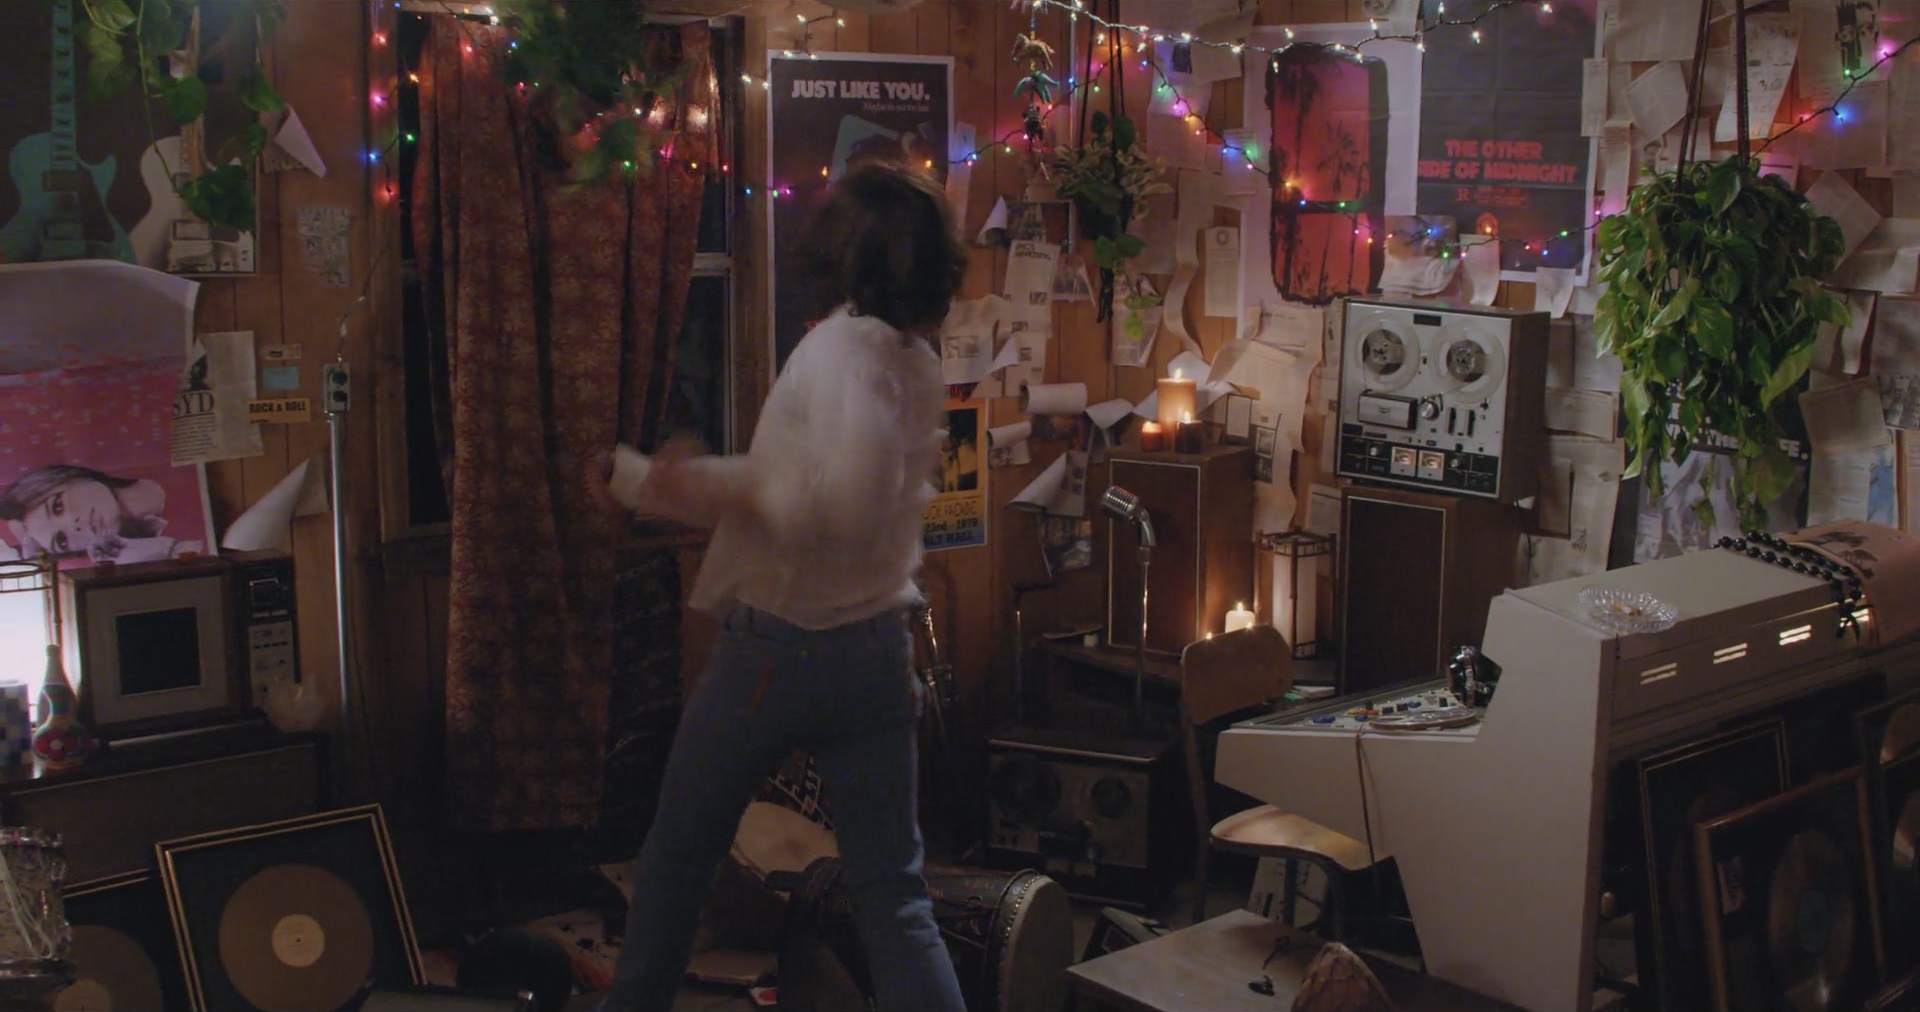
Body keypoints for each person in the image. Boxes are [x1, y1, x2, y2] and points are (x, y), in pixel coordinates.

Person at [588, 161, 968, 1012]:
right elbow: (805, 487)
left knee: (678, 859)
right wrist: (654, 482)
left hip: (781, 652)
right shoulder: (915, 362)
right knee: (894, 896)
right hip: (876, 655)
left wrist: (674, 483)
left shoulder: (839, 351)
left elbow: (820, 505)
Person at [0, 464, 199, 564]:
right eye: (62, 540)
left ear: (69, 478)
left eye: (58, 507)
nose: (74, 524)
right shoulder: (147, 552)